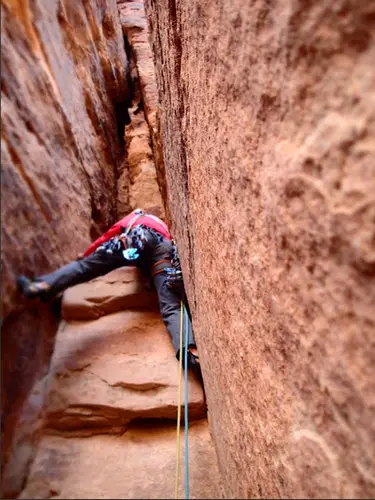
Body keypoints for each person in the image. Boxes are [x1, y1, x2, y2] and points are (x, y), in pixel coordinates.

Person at [17, 209, 200, 374]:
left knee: (85, 267)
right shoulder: (163, 228)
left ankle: (43, 286)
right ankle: (190, 352)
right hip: (162, 252)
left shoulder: (136, 216)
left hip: (137, 239)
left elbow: (108, 237)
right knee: (171, 305)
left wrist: (89, 254)